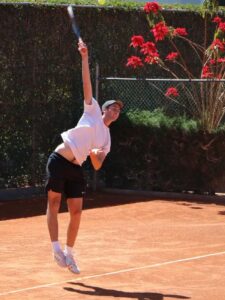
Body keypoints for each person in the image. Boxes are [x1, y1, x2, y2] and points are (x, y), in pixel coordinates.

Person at [45, 39, 123, 274]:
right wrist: (84, 57)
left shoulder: (107, 138)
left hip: (76, 167)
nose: (115, 111)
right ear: (103, 109)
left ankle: (69, 253)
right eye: (112, 108)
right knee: (54, 203)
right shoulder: (91, 110)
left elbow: (97, 165)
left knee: (76, 212)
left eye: (118, 110)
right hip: (59, 160)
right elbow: (86, 82)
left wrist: (96, 154)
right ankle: (56, 248)